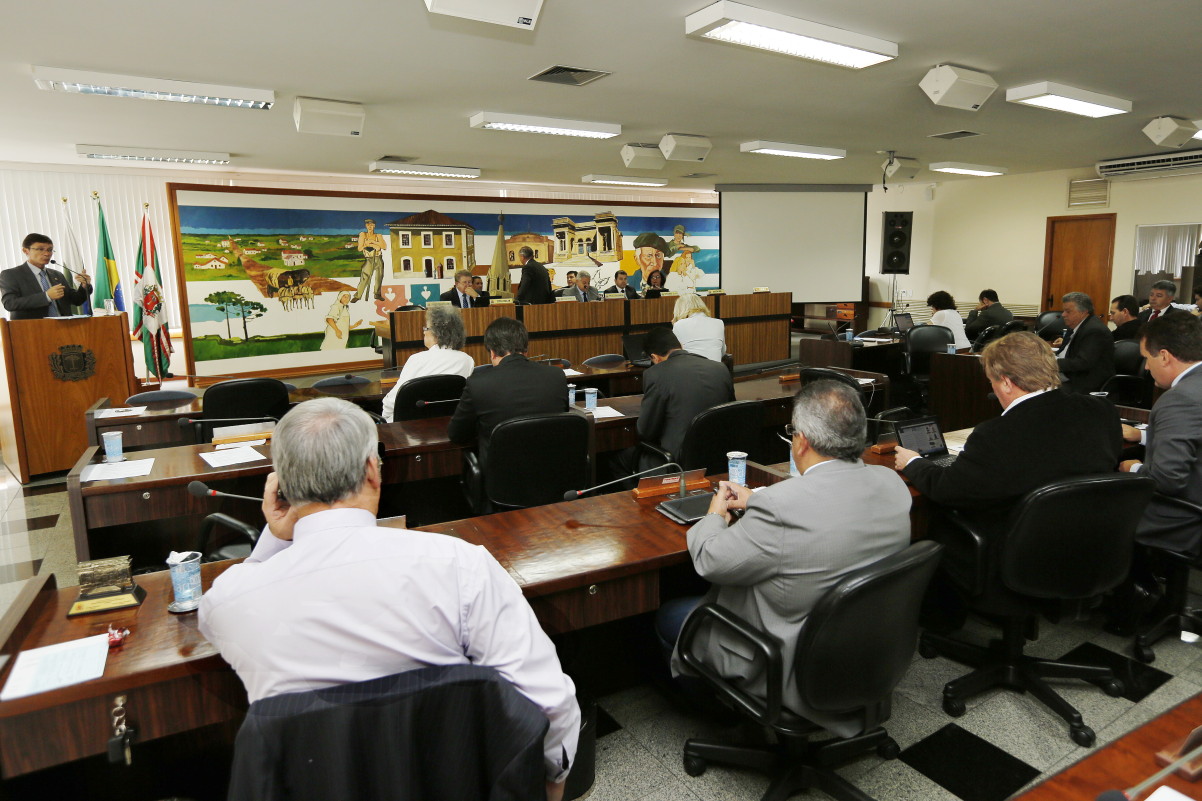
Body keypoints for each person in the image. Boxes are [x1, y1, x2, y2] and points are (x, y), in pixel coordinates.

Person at [198, 398, 579, 799]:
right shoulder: (459, 564)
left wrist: (273, 539)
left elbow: (210, 615)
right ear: (371, 471)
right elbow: (547, 700)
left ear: (282, 488)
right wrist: (550, 784)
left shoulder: (234, 597)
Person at [660, 380, 910, 735]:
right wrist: (757, 501)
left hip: (788, 663)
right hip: (868, 653)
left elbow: (710, 561)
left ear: (803, 441)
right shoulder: (891, 483)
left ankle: (725, 711)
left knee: (671, 615)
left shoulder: (782, 505)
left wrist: (715, 514)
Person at [895, 332, 1121, 579]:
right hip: (1087, 547)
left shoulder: (996, 435)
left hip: (1017, 556)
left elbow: (947, 490)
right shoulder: (1101, 411)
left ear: (1005, 382)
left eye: (991, 380)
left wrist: (913, 462)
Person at [1118, 314, 1202, 553]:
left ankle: (1137, 587)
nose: (1145, 367)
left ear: (1164, 356)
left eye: (1146, 358)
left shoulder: (1179, 399)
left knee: (1093, 511)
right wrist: (1145, 436)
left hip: (1184, 517)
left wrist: (1133, 468)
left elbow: (1167, 480)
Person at [448, 317, 567, 464]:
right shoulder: (556, 376)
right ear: (526, 349)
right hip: (553, 474)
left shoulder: (478, 384)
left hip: (500, 481)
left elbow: (457, 435)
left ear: (492, 352)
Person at [636, 327, 734, 461]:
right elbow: (730, 410)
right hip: (719, 454)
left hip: (677, 459)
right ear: (681, 346)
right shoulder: (720, 368)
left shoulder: (656, 373)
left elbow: (645, 431)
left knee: (617, 462)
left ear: (654, 357)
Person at [381, 305, 475, 423]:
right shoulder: (467, 361)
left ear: (436, 332)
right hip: (447, 424)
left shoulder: (416, 359)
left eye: (426, 328)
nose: (424, 332)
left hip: (410, 429)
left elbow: (394, 400)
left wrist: (383, 420)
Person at [1, 233, 92, 319]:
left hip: (64, 328)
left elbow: (76, 300)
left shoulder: (57, 275)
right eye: (40, 249)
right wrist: (46, 296)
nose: (47, 253)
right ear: (26, 251)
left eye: (50, 250)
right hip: (31, 330)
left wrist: (84, 286)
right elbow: (10, 303)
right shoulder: (11, 275)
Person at [1054, 291, 1115, 393]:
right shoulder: (1074, 326)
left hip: (1084, 383)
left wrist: (1051, 363)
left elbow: (1082, 363)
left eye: (1068, 311)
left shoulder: (1094, 331)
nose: (1063, 314)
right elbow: (1065, 352)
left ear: (1083, 312)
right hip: (1068, 375)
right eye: (1064, 311)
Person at [671, 293, 725, 362]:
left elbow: (675, 355)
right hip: (716, 370)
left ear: (680, 309)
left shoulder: (679, 325)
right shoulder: (719, 323)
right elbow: (722, 352)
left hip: (690, 370)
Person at [351, 219, 387, 303]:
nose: (370, 227)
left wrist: (372, 242)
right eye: (368, 225)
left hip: (378, 258)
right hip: (369, 258)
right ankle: (358, 295)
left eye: (371, 225)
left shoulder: (378, 235)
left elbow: (384, 246)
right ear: (366, 226)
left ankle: (377, 294)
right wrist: (373, 245)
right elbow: (360, 248)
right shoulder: (363, 234)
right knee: (365, 277)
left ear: (374, 226)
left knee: (379, 277)